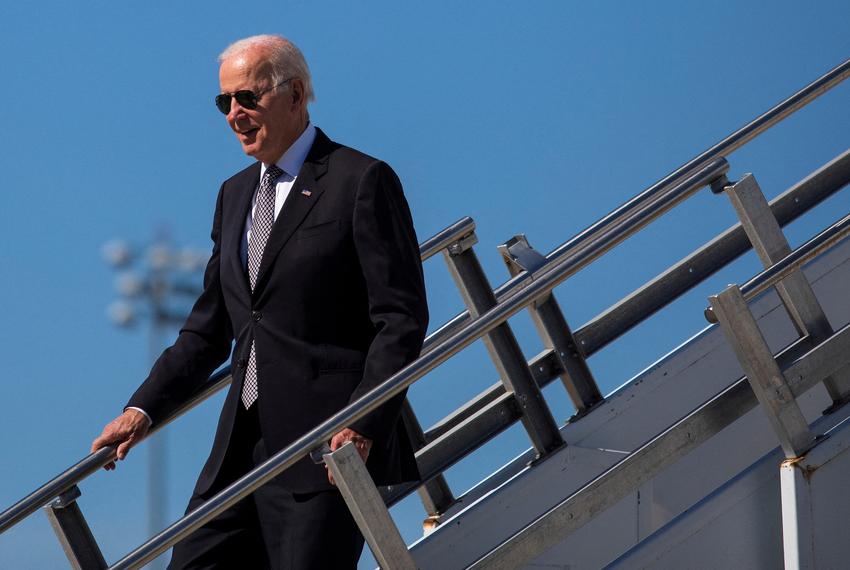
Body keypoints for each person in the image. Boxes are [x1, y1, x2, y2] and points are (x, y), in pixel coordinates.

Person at [91, 34, 428, 569]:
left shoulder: (359, 180)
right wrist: (141, 409)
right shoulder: (233, 194)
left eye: (248, 97)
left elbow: (401, 319)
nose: (235, 114)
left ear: (295, 95)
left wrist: (362, 421)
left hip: (327, 448)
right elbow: (208, 330)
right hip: (242, 451)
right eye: (224, 102)